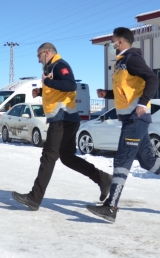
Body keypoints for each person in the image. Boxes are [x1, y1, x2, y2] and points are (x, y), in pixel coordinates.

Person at [85, 27, 160, 223]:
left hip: (135, 118)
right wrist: (108, 94)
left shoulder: (131, 59)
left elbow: (153, 79)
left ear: (120, 42)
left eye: (112, 41)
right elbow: (129, 90)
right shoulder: (121, 62)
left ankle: (111, 207)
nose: (111, 45)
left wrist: (141, 103)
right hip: (132, 118)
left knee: (122, 160)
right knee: (148, 162)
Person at [11, 43, 112, 211]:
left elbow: (70, 85)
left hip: (63, 118)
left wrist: (49, 83)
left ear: (46, 52)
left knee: (48, 156)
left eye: (38, 56)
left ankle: (34, 198)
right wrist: (42, 92)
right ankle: (103, 179)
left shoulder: (60, 65)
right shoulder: (52, 67)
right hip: (66, 118)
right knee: (66, 157)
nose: (38, 60)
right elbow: (59, 90)